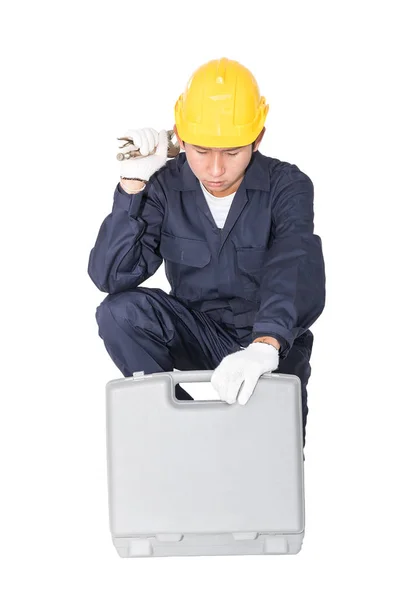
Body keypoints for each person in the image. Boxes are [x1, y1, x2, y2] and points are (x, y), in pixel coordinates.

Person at [88, 57, 326, 449]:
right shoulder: (163, 186)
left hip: (269, 340)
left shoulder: (288, 185)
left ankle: (251, 456)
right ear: (179, 137)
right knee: (119, 311)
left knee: (268, 461)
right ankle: (181, 433)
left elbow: (294, 263)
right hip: (197, 332)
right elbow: (110, 277)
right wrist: (133, 186)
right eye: (200, 150)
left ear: (258, 138)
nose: (215, 169)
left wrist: (265, 345)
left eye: (232, 152)